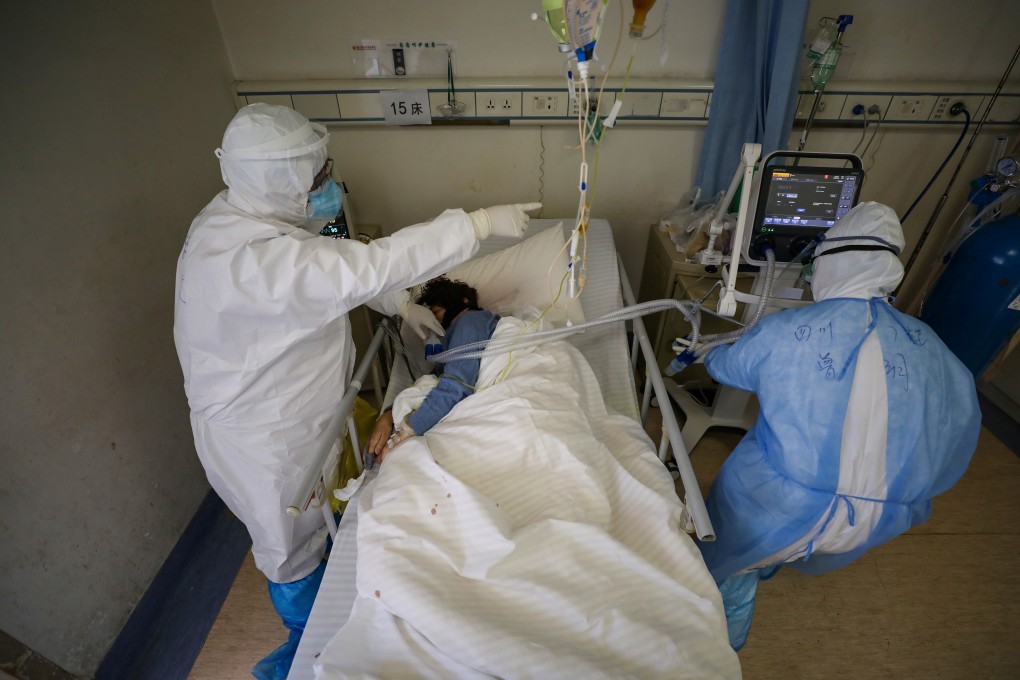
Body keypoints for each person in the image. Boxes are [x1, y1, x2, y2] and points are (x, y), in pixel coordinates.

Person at [172, 103, 539, 679]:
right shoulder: (247, 259)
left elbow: (336, 263)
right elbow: (359, 266)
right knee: (289, 548)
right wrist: (474, 225)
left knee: (347, 487)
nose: (328, 189)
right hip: (265, 436)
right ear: (279, 185)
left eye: (324, 172)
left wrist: (398, 304)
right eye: (315, 180)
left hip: (310, 409)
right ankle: (308, 637)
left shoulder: (243, 217)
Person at [696, 202, 981, 651]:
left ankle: (717, 644)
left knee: (729, 566)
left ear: (828, 263)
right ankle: (776, 557)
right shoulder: (935, 349)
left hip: (782, 504)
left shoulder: (788, 330)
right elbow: (958, 430)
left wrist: (705, 351)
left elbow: (729, 368)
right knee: (792, 535)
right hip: (890, 515)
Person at [368, 277, 500, 461]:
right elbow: (435, 383)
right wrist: (389, 414)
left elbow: (455, 386)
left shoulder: (470, 321)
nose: (434, 318)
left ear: (464, 302)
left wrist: (407, 431)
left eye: (436, 311)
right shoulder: (454, 338)